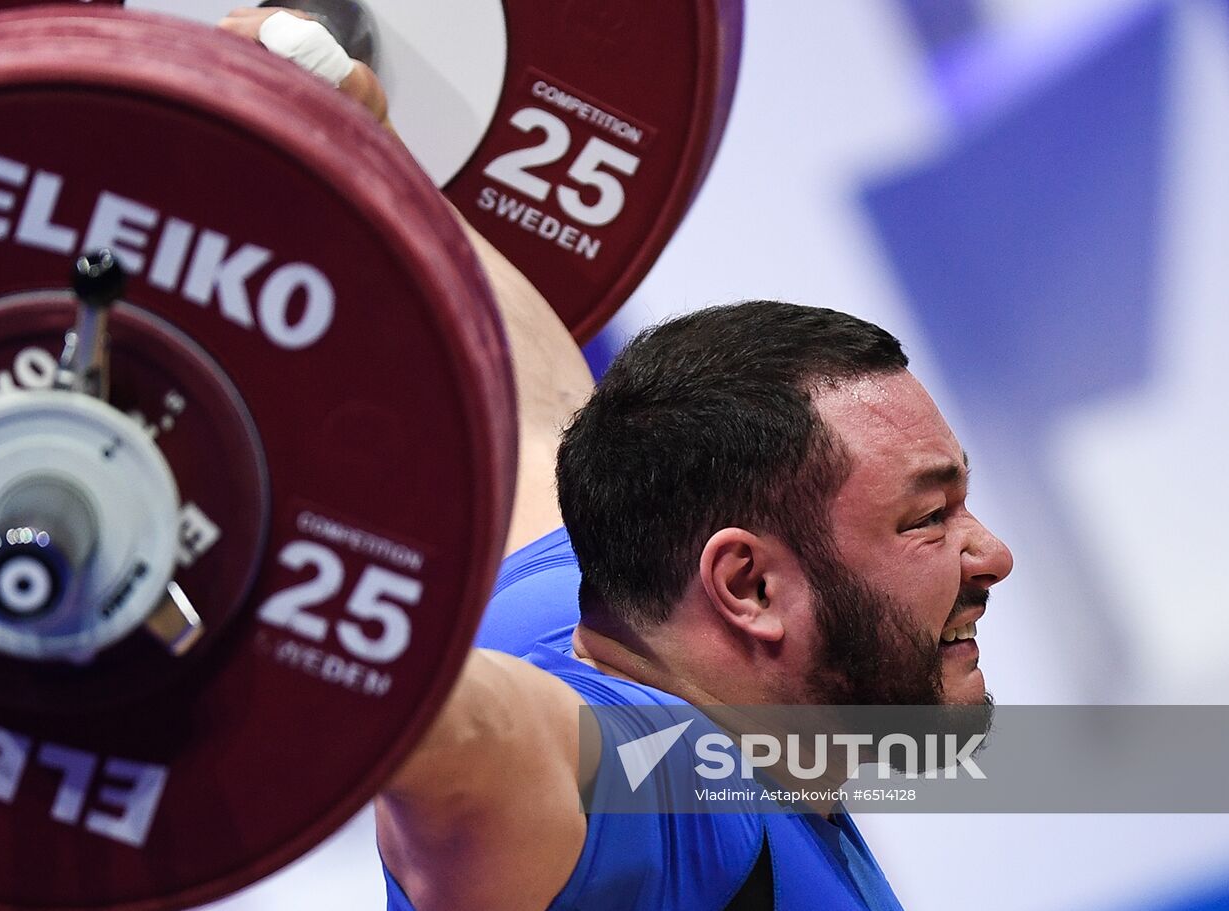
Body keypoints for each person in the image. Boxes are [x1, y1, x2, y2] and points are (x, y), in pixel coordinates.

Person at [221, 11, 1013, 909]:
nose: (992, 555)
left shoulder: (583, 590)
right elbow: (478, 743)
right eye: (928, 519)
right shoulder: (663, 795)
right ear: (748, 584)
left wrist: (354, 133)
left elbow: (530, 398)